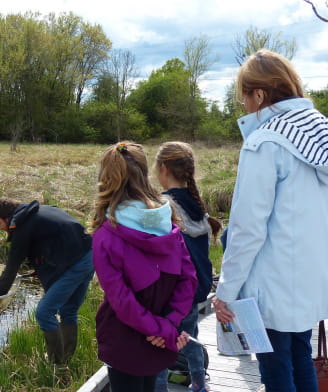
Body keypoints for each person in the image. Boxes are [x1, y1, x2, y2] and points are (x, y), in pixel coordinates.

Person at [213, 49, 328, 392]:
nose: (245, 106)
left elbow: (247, 230)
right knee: (299, 357)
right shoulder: (320, 133)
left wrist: (225, 292)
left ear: (259, 94)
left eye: (245, 97)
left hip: (270, 286)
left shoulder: (265, 143)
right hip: (309, 280)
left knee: (276, 370)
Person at [91, 141, 198, 392]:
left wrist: (159, 328)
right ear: (144, 172)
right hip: (160, 335)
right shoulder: (167, 220)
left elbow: (121, 300)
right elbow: (188, 279)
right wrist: (169, 324)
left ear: (106, 179)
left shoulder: (106, 235)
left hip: (124, 338)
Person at [0, 198, 94, 365]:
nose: (1, 228)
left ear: (7, 217)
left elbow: (11, 268)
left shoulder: (22, 226)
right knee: (68, 309)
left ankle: (56, 364)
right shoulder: (39, 212)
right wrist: (41, 269)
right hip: (90, 254)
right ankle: (66, 359)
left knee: (44, 312)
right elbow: (53, 243)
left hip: (77, 262)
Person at [154, 141, 221, 392]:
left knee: (162, 343)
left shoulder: (163, 206)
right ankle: (199, 385)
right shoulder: (196, 204)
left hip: (172, 290)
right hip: (196, 287)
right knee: (190, 335)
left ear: (163, 168)